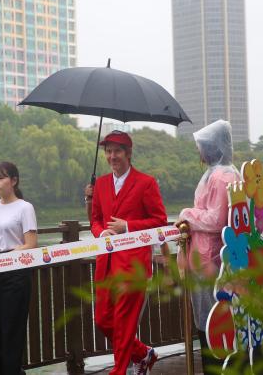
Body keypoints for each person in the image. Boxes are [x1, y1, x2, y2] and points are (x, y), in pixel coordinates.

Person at [87, 130, 168, 375]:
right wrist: (102, 233)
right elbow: (95, 220)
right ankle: (143, 354)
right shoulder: (100, 184)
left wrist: (128, 227)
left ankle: (119, 371)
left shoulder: (146, 183)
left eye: (118, 151)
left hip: (134, 265)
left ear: (128, 153)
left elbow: (160, 220)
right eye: (109, 151)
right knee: (103, 320)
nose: (113, 156)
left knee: (123, 322)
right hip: (106, 263)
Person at [175, 120, 240, 374]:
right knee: (213, 321)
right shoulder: (220, 173)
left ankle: (215, 369)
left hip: (211, 260)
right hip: (208, 257)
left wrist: (187, 214)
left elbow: (216, 219)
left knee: (211, 322)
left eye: (202, 146)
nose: (199, 151)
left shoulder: (222, 177)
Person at [0, 161, 37, 375]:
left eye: (1, 178)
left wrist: (7, 258)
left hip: (15, 273)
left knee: (11, 328)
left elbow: (30, 244)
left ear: (14, 180)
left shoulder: (24, 207)